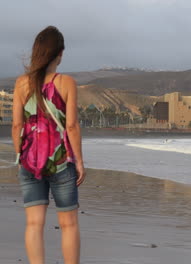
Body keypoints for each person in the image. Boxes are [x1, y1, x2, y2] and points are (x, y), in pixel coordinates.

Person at [11, 26, 85, 264]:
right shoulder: (66, 82)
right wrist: (80, 162)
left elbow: (16, 126)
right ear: (60, 53)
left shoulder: (22, 84)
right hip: (62, 162)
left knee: (34, 223)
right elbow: (71, 126)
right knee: (69, 224)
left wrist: (20, 156)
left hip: (29, 162)